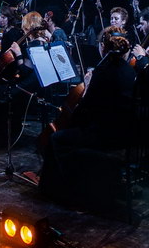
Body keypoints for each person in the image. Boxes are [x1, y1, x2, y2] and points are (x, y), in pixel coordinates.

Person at [37, 27, 136, 204]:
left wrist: (88, 86)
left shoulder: (103, 71)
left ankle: (68, 193)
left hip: (106, 134)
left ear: (103, 47)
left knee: (56, 139)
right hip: (126, 131)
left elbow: (86, 109)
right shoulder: (129, 70)